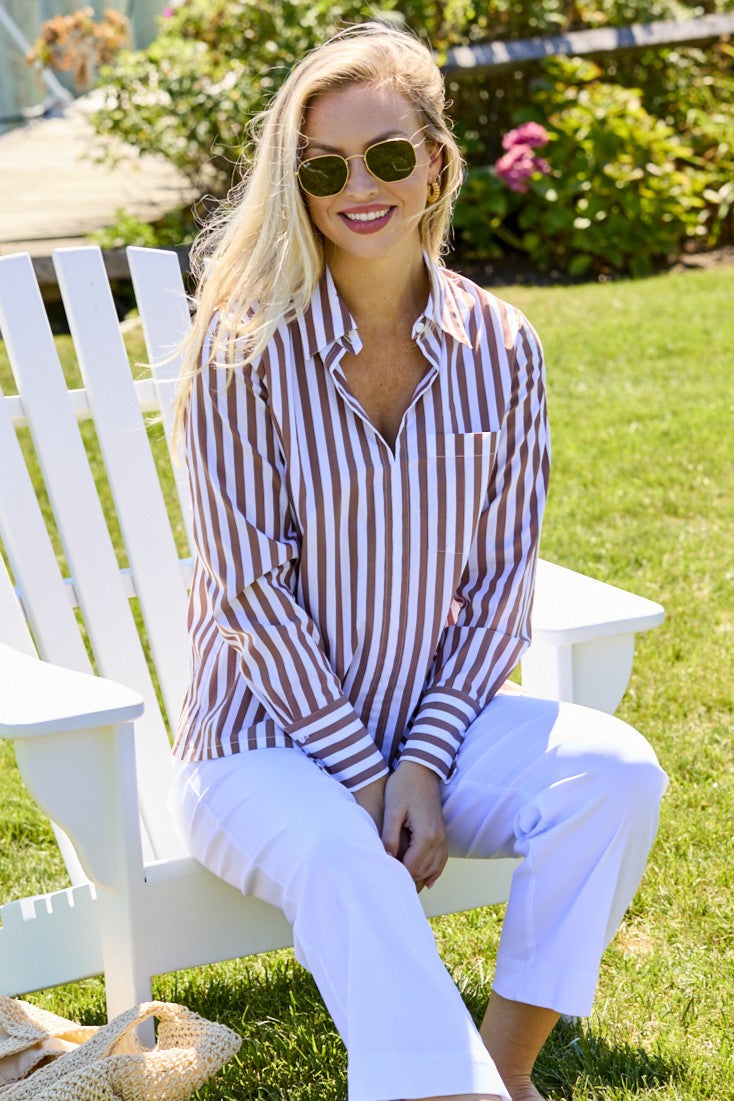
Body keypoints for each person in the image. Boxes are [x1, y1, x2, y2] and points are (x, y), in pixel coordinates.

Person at [167, 22, 667, 1101]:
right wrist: (363, 773)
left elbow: (498, 585)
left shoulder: (502, 347)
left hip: (429, 736)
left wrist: (424, 766)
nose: (361, 187)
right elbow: (250, 592)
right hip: (258, 750)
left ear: (434, 161)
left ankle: (501, 1070)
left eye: (388, 156)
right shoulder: (242, 347)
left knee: (613, 773)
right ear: (292, 178)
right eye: (326, 166)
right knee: (351, 861)